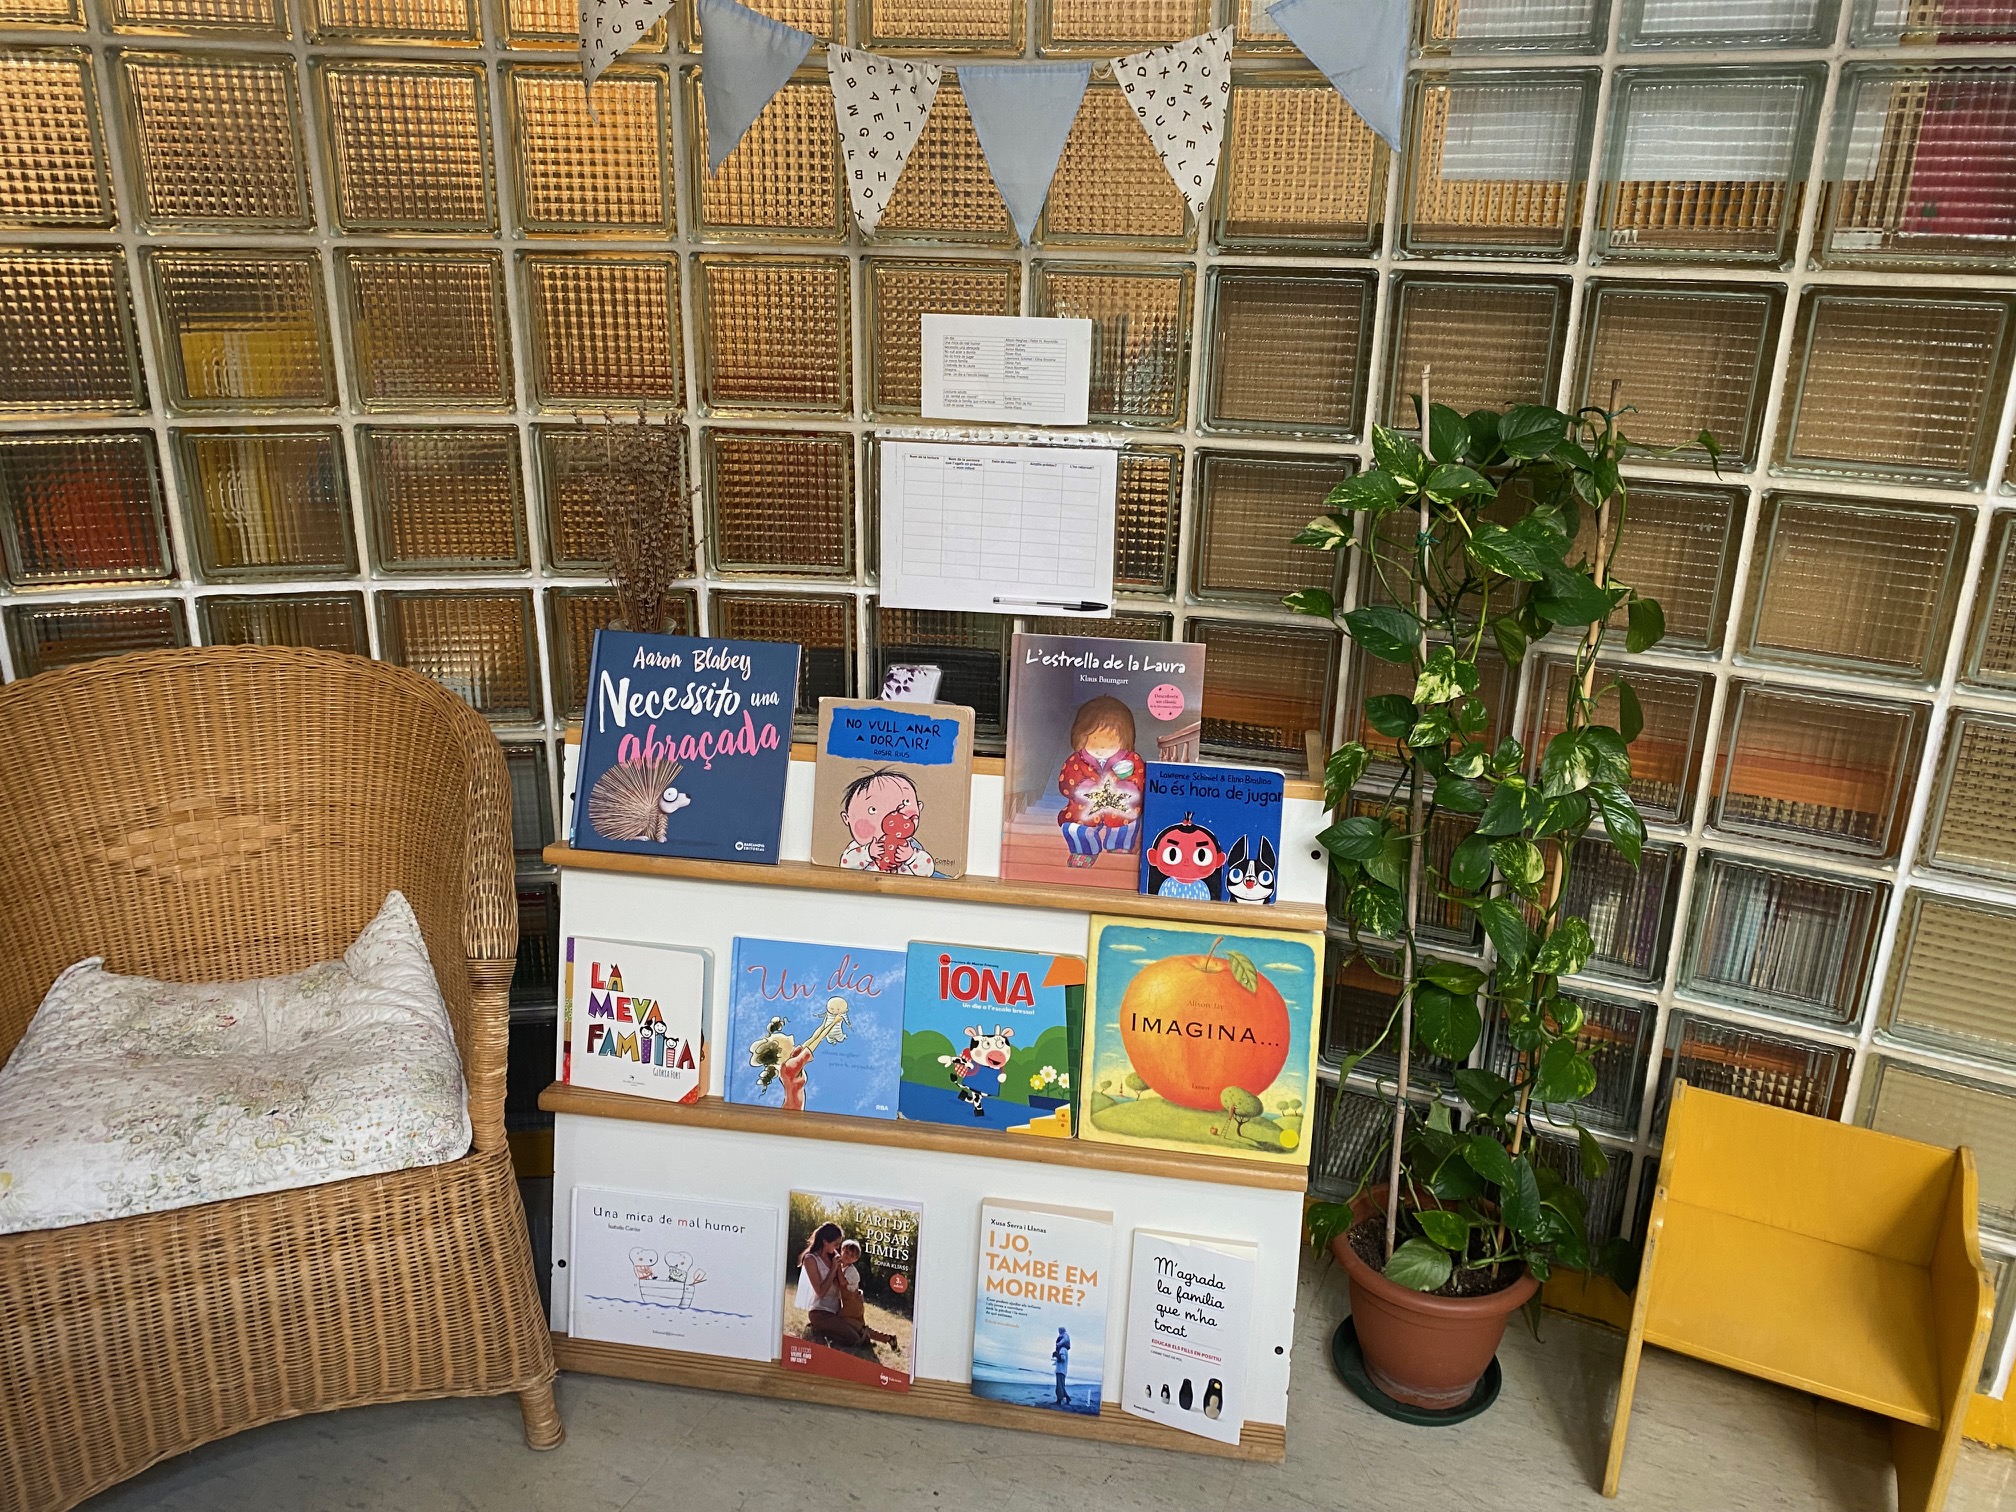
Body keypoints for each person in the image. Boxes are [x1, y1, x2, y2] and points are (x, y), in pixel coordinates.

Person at [1055, 696, 1143, 867]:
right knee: (1074, 829)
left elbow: (1139, 781)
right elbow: (1066, 783)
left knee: (1128, 822)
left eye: (1111, 740)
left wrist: (1125, 788)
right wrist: (1085, 788)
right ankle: (1084, 851)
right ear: (1081, 738)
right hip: (1084, 809)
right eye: (1094, 739)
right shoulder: (1076, 760)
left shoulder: (1131, 760)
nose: (1102, 747)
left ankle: (1119, 846)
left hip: (1120, 808)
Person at [837, 770, 933, 876]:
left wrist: (911, 856)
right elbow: (845, 867)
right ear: (847, 819)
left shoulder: (910, 845)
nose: (889, 816)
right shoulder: (858, 848)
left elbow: (927, 872)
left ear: (919, 808)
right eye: (873, 810)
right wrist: (868, 853)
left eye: (905, 802)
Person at [795, 1222, 870, 1350]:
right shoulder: (810, 1259)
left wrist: (858, 1292)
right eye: (836, 1244)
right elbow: (821, 1292)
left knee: (864, 1336)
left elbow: (844, 1280)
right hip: (820, 1312)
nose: (838, 1247)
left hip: (837, 1311)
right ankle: (819, 1329)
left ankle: (826, 1328)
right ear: (825, 1241)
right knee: (855, 1339)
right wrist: (834, 1268)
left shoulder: (833, 1255)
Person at [837, 1240, 897, 1347]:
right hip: (849, 1303)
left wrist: (836, 1266)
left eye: (852, 1255)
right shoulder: (842, 1267)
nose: (848, 1256)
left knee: (842, 1320)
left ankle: (884, 1338)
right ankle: (888, 1338)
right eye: (846, 1252)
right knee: (860, 1327)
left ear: (856, 1259)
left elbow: (842, 1282)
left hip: (853, 1304)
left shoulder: (851, 1271)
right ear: (841, 1250)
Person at [1052, 1326, 1071, 1406]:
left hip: (1060, 1370)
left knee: (1059, 1386)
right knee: (1061, 1386)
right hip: (1062, 1371)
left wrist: (1057, 1355)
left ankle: (1059, 1400)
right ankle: (1067, 1397)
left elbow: (1062, 1359)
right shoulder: (1064, 1349)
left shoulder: (1062, 1349)